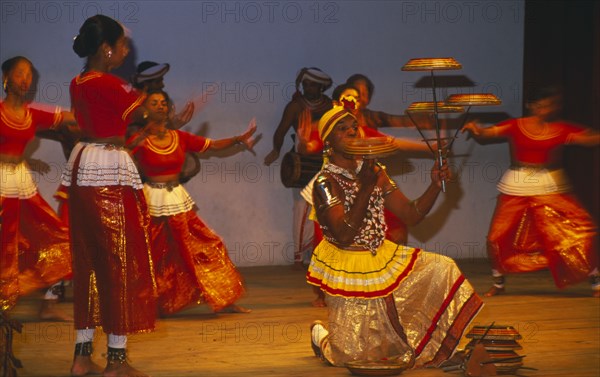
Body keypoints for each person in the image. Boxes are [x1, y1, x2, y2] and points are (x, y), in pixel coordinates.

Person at [307, 106, 483, 368]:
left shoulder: (375, 172)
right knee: (353, 357)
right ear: (328, 141)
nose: (352, 132)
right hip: (348, 266)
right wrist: (366, 187)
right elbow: (343, 235)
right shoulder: (325, 182)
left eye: (354, 127)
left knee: (441, 268)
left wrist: (434, 186)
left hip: (382, 258)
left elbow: (411, 214)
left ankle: (429, 343)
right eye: (342, 129)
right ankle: (321, 337)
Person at [61, 14, 157, 377]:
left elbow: (112, 122)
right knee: (120, 261)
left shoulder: (78, 81)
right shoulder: (110, 84)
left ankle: (81, 356)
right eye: (121, 45)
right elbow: (142, 112)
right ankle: (116, 362)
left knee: (88, 261)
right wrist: (155, 103)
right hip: (108, 172)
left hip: (84, 166)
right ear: (107, 49)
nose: (125, 50)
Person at [462, 86, 600, 297]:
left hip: (550, 186)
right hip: (517, 185)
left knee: (579, 231)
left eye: (550, 105)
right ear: (531, 106)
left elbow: (590, 139)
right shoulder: (515, 126)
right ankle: (498, 283)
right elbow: (485, 134)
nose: (546, 110)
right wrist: (475, 128)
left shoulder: (561, 129)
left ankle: (595, 281)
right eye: (541, 105)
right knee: (496, 237)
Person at [127, 90, 255, 315]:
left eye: (163, 103)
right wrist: (131, 146)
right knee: (152, 254)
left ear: (169, 109)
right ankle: (149, 304)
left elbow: (213, 145)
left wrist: (238, 139)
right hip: (151, 203)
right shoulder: (138, 140)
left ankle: (224, 297)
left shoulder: (180, 138)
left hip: (177, 202)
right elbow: (118, 159)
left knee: (207, 245)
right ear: (144, 110)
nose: (160, 106)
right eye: (154, 103)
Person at [0, 56, 76, 320]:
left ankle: (49, 304)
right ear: (6, 79)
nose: (26, 79)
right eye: (20, 73)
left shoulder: (33, 113)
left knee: (55, 236)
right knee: (6, 244)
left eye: (30, 75)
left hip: (20, 183)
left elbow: (69, 117)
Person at [264, 67, 333, 267]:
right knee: (301, 207)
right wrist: (276, 150)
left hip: (324, 157)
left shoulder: (330, 105)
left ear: (321, 86)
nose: (307, 88)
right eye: (305, 84)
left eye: (312, 84)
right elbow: (281, 130)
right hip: (303, 159)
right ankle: (298, 253)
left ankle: (319, 251)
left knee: (324, 206)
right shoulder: (295, 106)